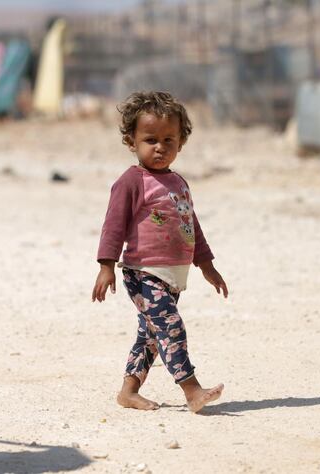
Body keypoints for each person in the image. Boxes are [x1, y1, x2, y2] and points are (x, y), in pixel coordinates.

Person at [91, 91, 228, 413]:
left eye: (169, 140)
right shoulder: (131, 181)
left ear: (181, 142)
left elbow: (190, 225)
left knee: (151, 336)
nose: (160, 147)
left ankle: (128, 391)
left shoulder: (178, 183)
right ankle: (192, 389)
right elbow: (113, 225)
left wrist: (206, 265)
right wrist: (106, 265)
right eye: (150, 139)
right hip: (144, 273)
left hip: (173, 274)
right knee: (170, 326)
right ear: (131, 141)